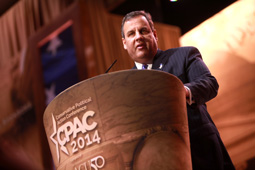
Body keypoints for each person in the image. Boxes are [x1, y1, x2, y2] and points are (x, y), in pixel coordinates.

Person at [121, 10, 235, 170]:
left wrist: (181, 91)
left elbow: (210, 83)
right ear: (125, 43)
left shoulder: (185, 55)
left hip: (200, 152)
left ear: (154, 34)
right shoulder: (124, 86)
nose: (138, 36)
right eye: (131, 33)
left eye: (143, 31)